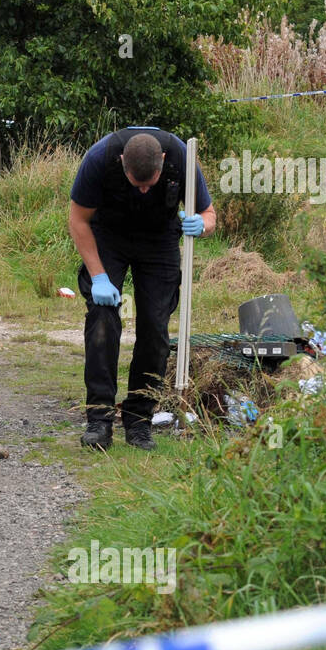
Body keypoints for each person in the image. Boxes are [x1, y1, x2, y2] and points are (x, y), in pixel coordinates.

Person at [68, 126, 216, 451]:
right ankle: (100, 420)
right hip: (109, 236)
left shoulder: (181, 157)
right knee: (102, 321)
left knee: (155, 328)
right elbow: (78, 220)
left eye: (152, 184)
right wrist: (99, 277)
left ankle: (139, 421)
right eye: (138, 184)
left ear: (163, 161)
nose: (146, 191)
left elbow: (209, 213)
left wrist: (201, 225)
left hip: (160, 241)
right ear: (122, 164)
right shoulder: (98, 159)